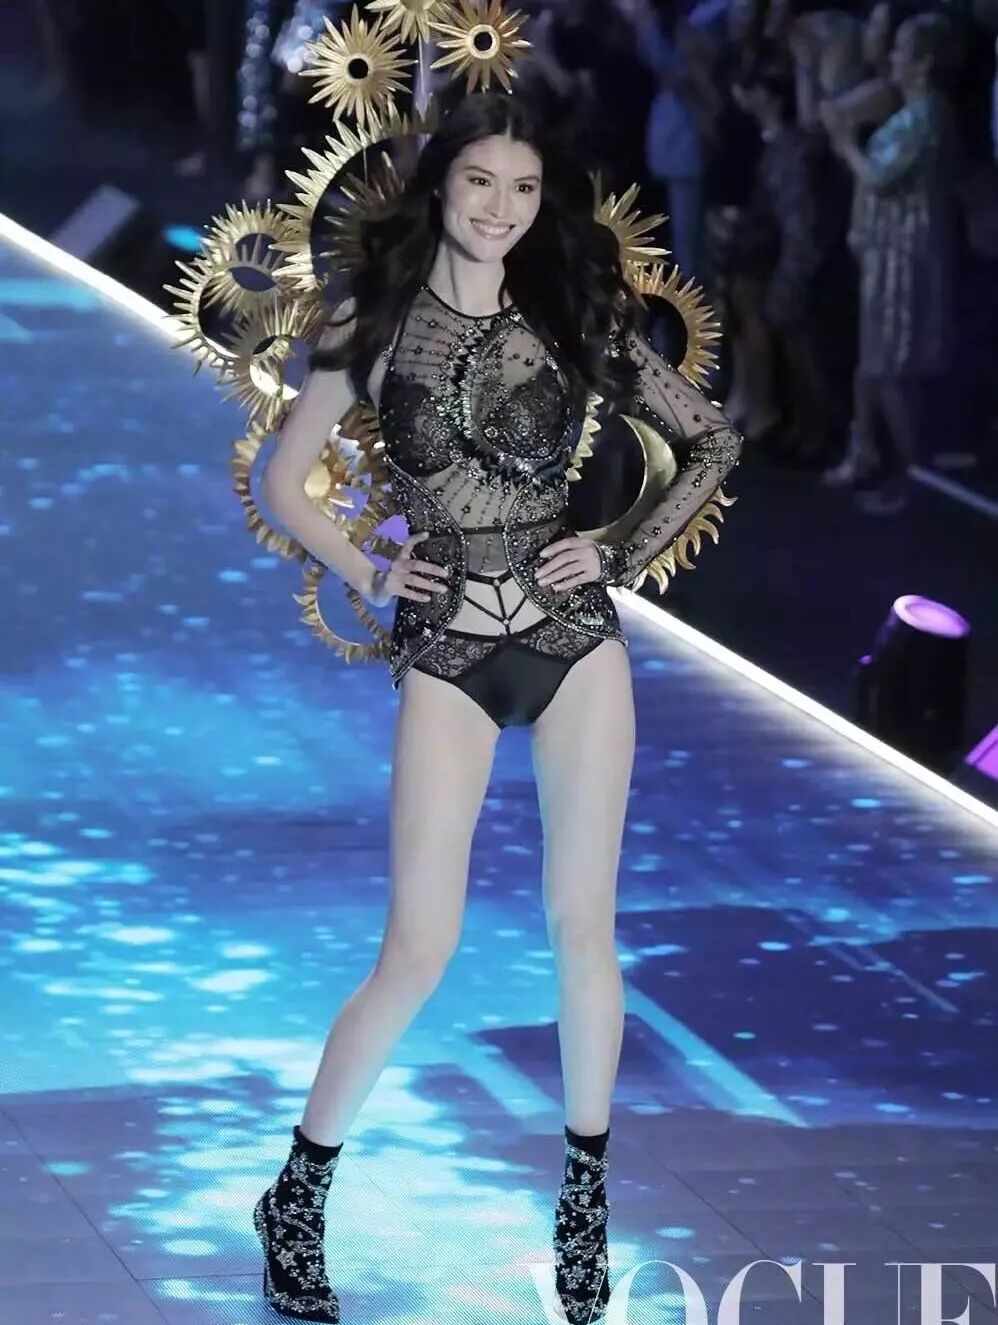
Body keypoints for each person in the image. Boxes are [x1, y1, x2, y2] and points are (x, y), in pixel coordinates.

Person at [250, 85, 743, 1325]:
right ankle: (295, 1197)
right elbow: (280, 476)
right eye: (480, 181)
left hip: (574, 642)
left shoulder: (571, 309)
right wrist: (368, 567)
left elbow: (710, 441)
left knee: (583, 928)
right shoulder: (371, 319)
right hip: (449, 648)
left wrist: (617, 549)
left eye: (523, 189)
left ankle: (583, 1211)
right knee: (418, 946)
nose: (501, 208)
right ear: (441, 183)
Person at [828, 11, 960, 513]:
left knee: (892, 370)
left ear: (924, 62)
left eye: (903, 50)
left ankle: (912, 476)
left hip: (905, 259)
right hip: (887, 253)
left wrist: (845, 144)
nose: (893, 57)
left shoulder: (926, 115)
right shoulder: (913, 112)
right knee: (877, 365)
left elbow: (879, 177)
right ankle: (874, 457)